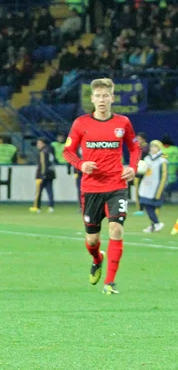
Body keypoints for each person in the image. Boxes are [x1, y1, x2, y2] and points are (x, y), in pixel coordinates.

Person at [63, 78, 141, 295]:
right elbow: (67, 151)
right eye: (98, 96)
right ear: (92, 99)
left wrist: (132, 167)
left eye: (106, 96)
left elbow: (135, 149)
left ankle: (109, 282)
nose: (102, 100)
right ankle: (97, 258)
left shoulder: (123, 123)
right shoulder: (81, 124)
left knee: (116, 228)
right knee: (92, 239)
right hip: (91, 189)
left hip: (117, 185)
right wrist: (81, 164)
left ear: (112, 98)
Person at [138, 140, 168, 233]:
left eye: (155, 147)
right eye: (152, 146)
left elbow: (164, 176)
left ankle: (155, 224)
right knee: (147, 205)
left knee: (153, 206)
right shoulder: (147, 158)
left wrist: (160, 189)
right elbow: (144, 171)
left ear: (159, 148)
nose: (153, 148)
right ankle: (155, 224)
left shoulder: (162, 160)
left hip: (156, 187)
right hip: (146, 186)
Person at [30, 138, 55, 213]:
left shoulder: (43, 152)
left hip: (42, 174)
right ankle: (51, 206)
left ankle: (37, 207)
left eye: (39, 143)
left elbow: (43, 164)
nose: (38, 145)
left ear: (43, 143)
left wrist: (42, 174)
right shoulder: (50, 150)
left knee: (38, 191)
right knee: (50, 190)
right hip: (51, 173)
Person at [132, 131, 149, 215]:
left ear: (143, 139)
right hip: (140, 171)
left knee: (139, 190)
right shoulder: (141, 147)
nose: (137, 140)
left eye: (139, 138)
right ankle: (142, 208)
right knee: (140, 190)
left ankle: (140, 209)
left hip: (142, 172)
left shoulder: (144, 148)